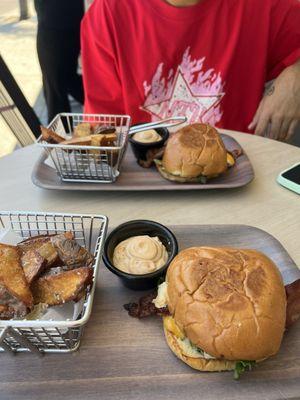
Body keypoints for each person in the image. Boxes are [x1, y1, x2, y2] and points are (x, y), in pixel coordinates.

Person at [81, 0, 300, 141]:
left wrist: (296, 78)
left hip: (239, 174)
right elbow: (103, 133)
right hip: (143, 179)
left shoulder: (264, 6)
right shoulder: (107, 15)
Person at [34, 0, 84, 123]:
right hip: (68, 20)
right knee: (67, 80)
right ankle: (109, 107)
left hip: (54, 22)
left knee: (54, 86)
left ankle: (58, 138)